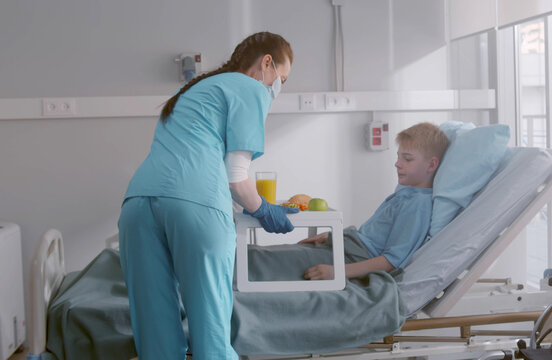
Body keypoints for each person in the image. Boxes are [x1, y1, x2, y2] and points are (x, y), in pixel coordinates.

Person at [117, 32, 298, 360]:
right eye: (281, 79)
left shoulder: (192, 91)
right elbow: (236, 176)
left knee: (155, 332)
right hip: (194, 206)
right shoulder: (250, 87)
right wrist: (264, 209)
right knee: (211, 329)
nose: (277, 87)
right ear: (266, 63)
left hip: (138, 204)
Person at [300, 122, 449, 280]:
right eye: (398, 157)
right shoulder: (406, 194)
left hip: (353, 258)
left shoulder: (418, 205)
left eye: (407, 159)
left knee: (282, 261)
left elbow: (391, 261)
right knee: (285, 255)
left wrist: (337, 272)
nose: (397, 164)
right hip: (350, 247)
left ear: (431, 164)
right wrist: (335, 237)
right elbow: (371, 237)